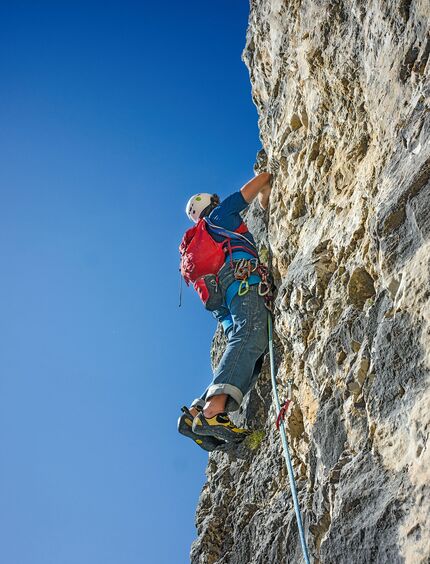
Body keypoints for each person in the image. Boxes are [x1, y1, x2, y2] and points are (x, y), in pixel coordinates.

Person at [178, 172, 273, 451]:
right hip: (241, 279)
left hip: (221, 300)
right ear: (213, 202)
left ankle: (195, 413)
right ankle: (213, 412)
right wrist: (266, 187)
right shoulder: (219, 215)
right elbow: (259, 183)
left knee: (249, 350)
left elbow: (214, 301)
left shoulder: (198, 243)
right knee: (252, 334)